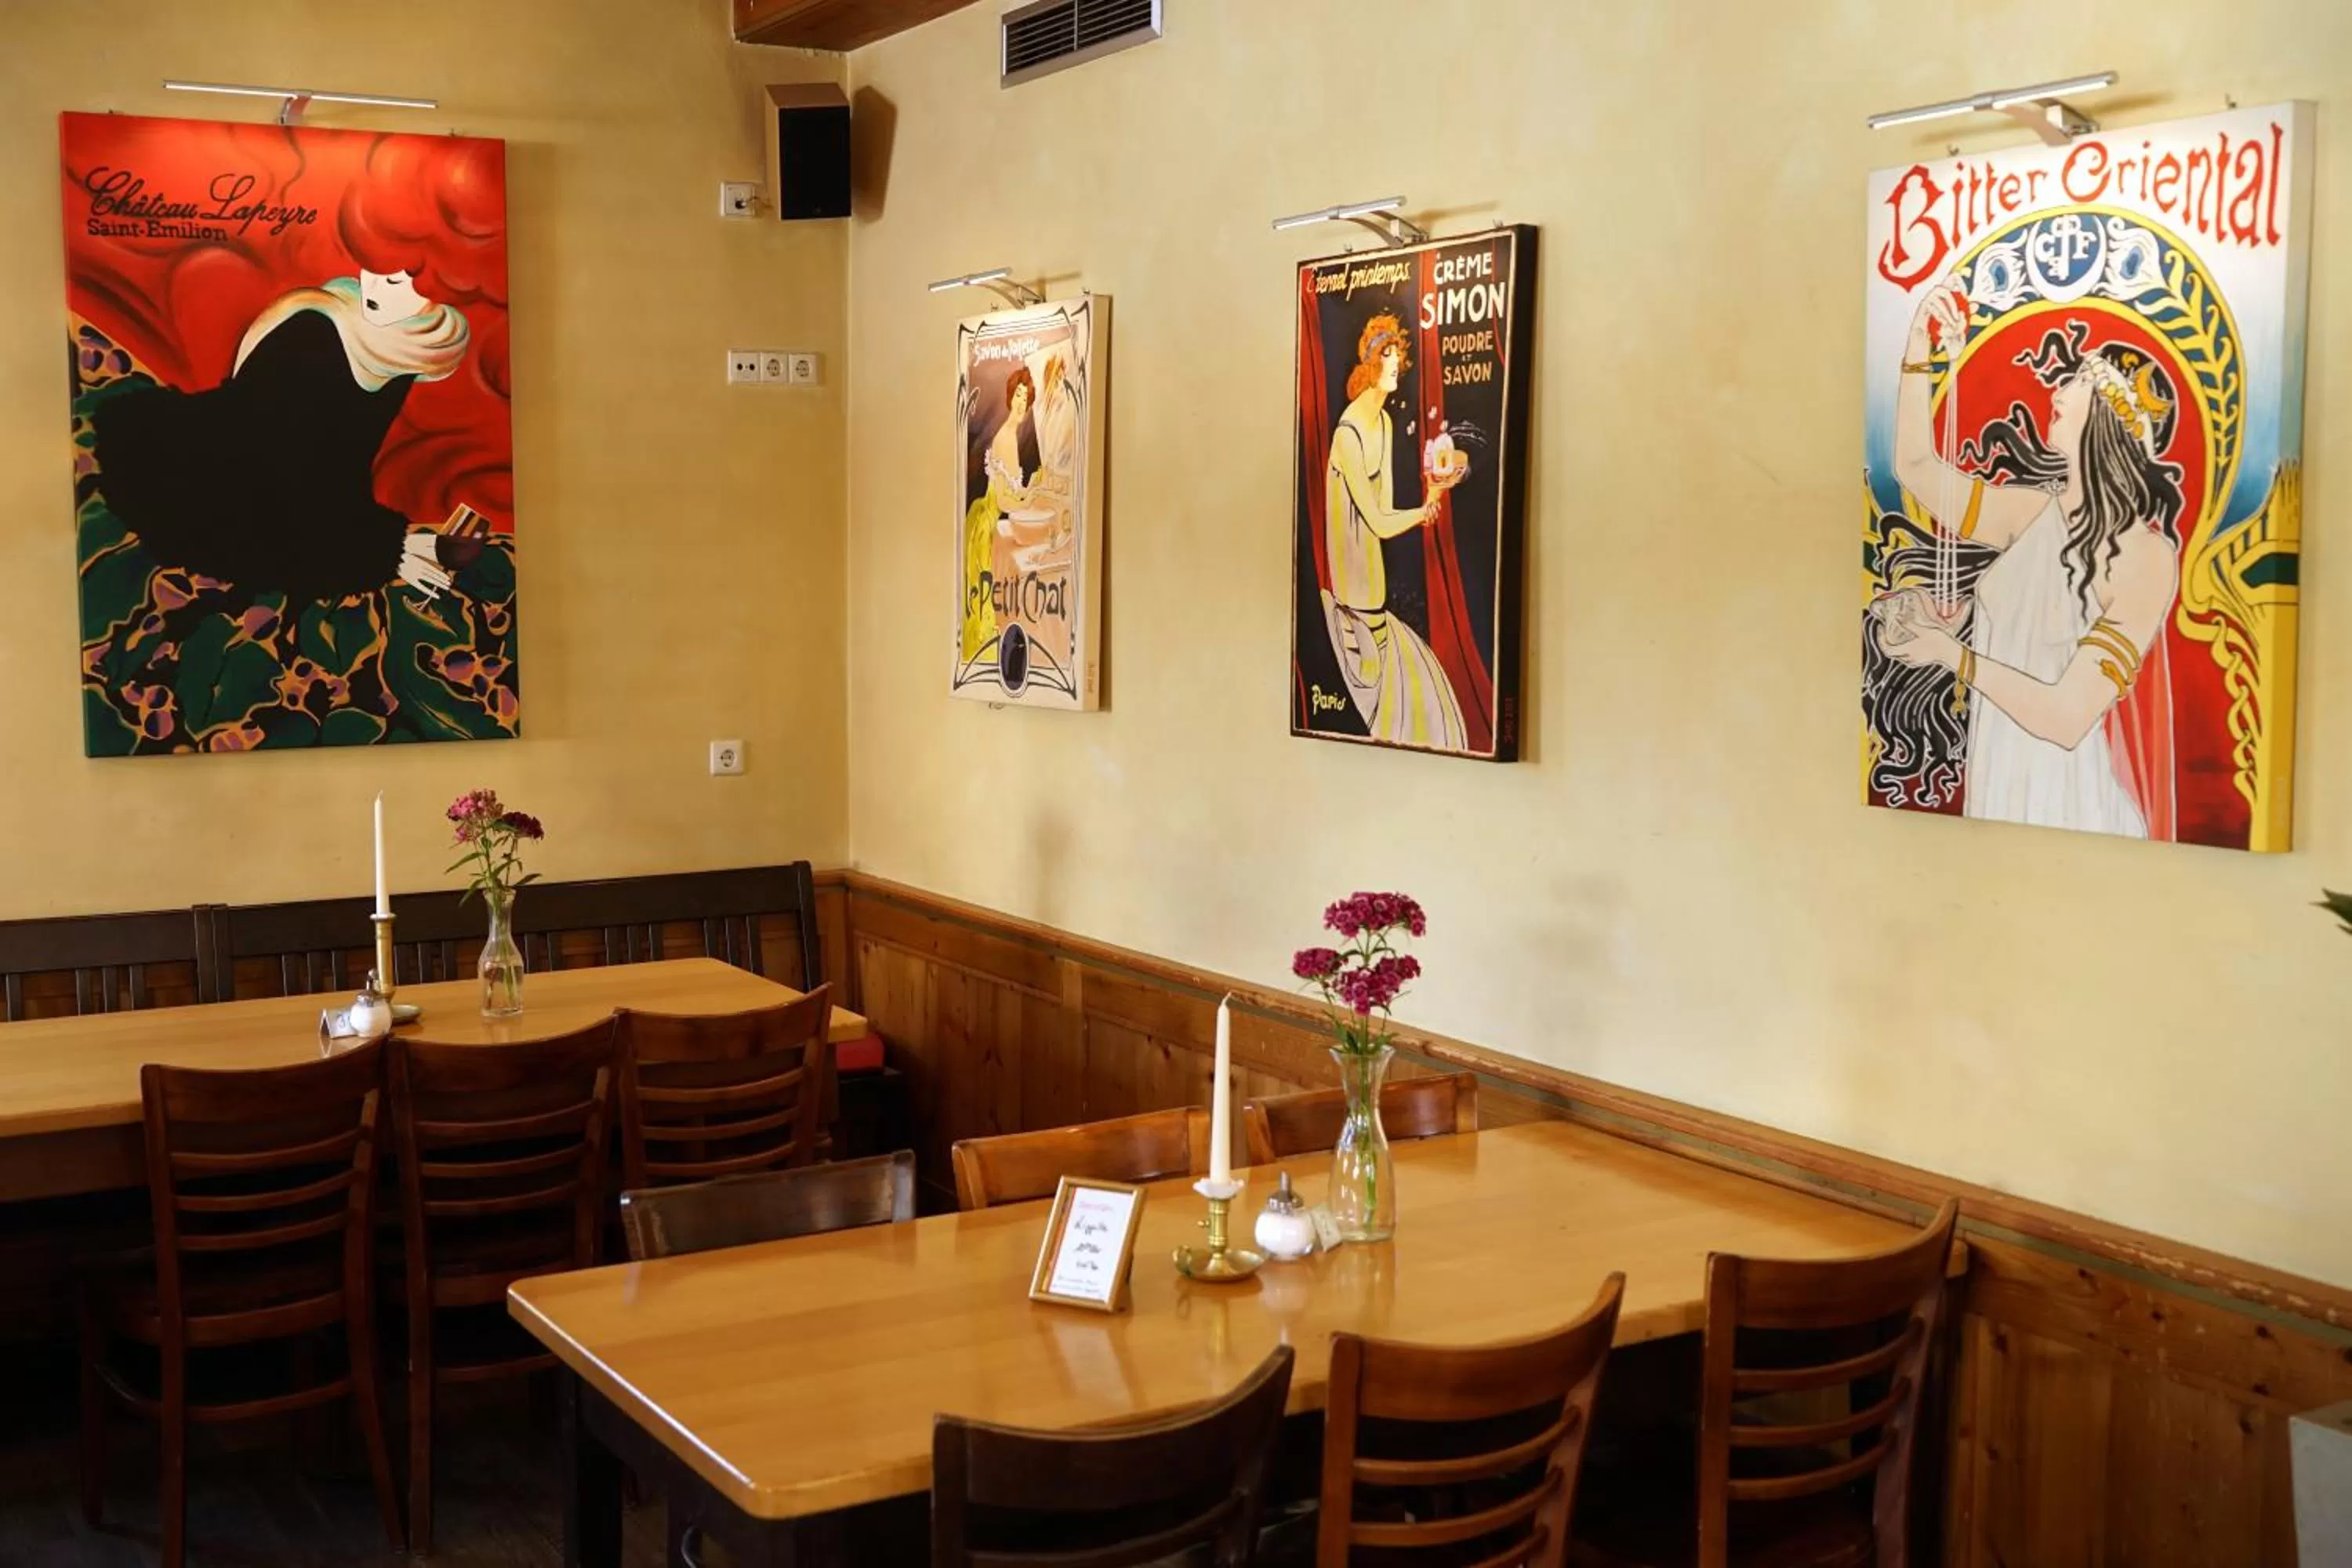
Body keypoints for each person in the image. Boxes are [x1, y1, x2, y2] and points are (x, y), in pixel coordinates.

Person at [1876, 281, 2187, 837]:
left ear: (2111, 422)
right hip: (1999, 784)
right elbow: (1916, 467)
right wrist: (1918, 352)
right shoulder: (2027, 515)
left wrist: (1951, 654)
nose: (2059, 386)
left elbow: (2067, 718)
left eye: (2079, 380)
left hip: (2072, 806)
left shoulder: (2146, 556)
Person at [89, 268, 475, 605]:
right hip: (202, 483)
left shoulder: (406, 348)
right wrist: (382, 548)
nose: (380, 282)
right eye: (378, 269)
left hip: (275, 503)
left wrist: (387, 542)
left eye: (402, 279)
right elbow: (263, 457)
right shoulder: (316, 326)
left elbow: (337, 465)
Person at [1319, 314, 1469, 749]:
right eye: (1388, 358)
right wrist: (1423, 512)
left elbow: (1385, 509)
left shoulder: (1384, 423)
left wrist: (1433, 497)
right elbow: (1379, 522)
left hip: (1376, 592)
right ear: (1369, 364)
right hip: (1353, 596)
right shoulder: (1347, 435)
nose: (1396, 368)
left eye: (1398, 359)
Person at [960, 365, 1036, 664]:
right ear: (1010, 396)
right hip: (990, 525)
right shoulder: (1006, 438)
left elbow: (1011, 492)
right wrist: (1032, 494)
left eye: (1026, 397)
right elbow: (1005, 500)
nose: (1021, 402)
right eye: (1018, 395)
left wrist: (1031, 490)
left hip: (994, 519)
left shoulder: (1012, 436)